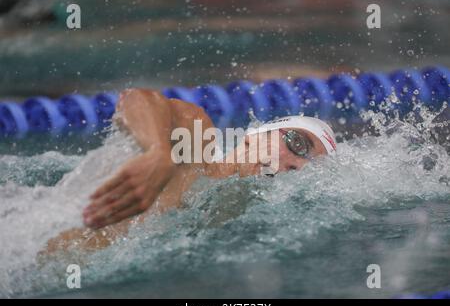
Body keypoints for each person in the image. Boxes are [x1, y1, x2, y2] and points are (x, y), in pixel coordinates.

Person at [45, 88, 337, 252]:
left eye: (307, 168)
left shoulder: (234, 227)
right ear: (256, 135)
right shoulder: (195, 148)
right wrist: (159, 154)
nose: (295, 164)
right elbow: (136, 99)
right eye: (298, 143)